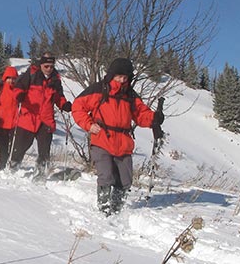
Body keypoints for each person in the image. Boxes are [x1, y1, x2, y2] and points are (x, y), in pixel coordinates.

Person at [71, 57, 164, 215]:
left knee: (125, 181)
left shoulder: (130, 95)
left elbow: (141, 114)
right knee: (106, 176)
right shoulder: (98, 90)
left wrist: (154, 118)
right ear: (112, 75)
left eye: (125, 77)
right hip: (101, 139)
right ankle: (104, 209)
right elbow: (77, 107)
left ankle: (117, 209)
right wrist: (88, 124)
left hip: (123, 142)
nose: (122, 80)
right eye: (119, 76)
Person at [9, 52, 72, 175]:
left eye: (51, 66)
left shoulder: (55, 80)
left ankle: (40, 174)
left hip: (46, 119)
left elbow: (58, 97)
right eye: (46, 66)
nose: (49, 69)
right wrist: (19, 95)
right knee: (21, 146)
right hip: (28, 117)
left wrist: (64, 105)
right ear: (41, 65)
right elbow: (18, 88)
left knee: (44, 150)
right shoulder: (31, 74)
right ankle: (13, 168)